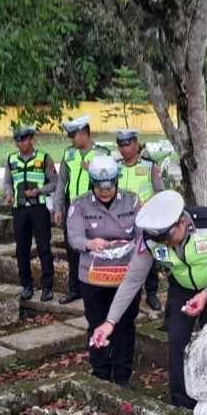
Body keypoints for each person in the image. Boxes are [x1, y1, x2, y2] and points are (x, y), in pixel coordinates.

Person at [90, 190, 207, 408]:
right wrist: (110, 322)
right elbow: (133, 279)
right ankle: (182, 403)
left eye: (170, 238)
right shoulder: (152, 240)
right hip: (182, 289)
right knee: (177, 340)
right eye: (161, 241)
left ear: (182, 222)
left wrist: (206, 294)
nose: (167, 245)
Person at [67, 155, 142, 387]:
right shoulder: (79, 205)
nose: (105, 191)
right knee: (97, 322)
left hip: (126, 277)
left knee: (125, 325)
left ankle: (122, 375)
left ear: (116, 181)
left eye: (109, 185)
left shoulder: (132, 201)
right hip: (93, 276)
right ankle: (100, 373)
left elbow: (142, 236)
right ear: (92, 183)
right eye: (100, 186)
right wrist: (89, 244)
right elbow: (74, 236)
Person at [53, 116, 110, 305]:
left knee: (96, 249)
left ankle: (98, 288)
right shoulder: (69, 154)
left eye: (73, 135)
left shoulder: (102, 154)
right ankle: (74, 289)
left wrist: (91, 169)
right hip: (73, 209)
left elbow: (110, 182)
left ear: (84, 134)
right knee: (73, 250)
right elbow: (61, 183)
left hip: (96, 209)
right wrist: (58, 207)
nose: (71, 140)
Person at [3, 124, 58, 302]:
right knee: (22, 249)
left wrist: (40, 191)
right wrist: (9, 195)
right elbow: (7, 183)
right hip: (19, 210)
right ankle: (26, 285)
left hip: (39, 209)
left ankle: (47, 287)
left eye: (24, 140)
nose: (20, 143)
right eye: (17, 140)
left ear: (32, 140)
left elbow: (55, 182)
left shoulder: (43, 158)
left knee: (44, 248)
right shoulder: (11, 160)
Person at [115, 129, 165, 312]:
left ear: (136, 144)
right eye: (120, 144)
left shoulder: (150, 166)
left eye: (128, 144)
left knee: (148, 256)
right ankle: (124, 290)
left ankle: (151, 293)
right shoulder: (115, 167)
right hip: (121, 220)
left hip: (145, 220)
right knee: (122, 254)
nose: (124, 148)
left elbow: (160, 192)